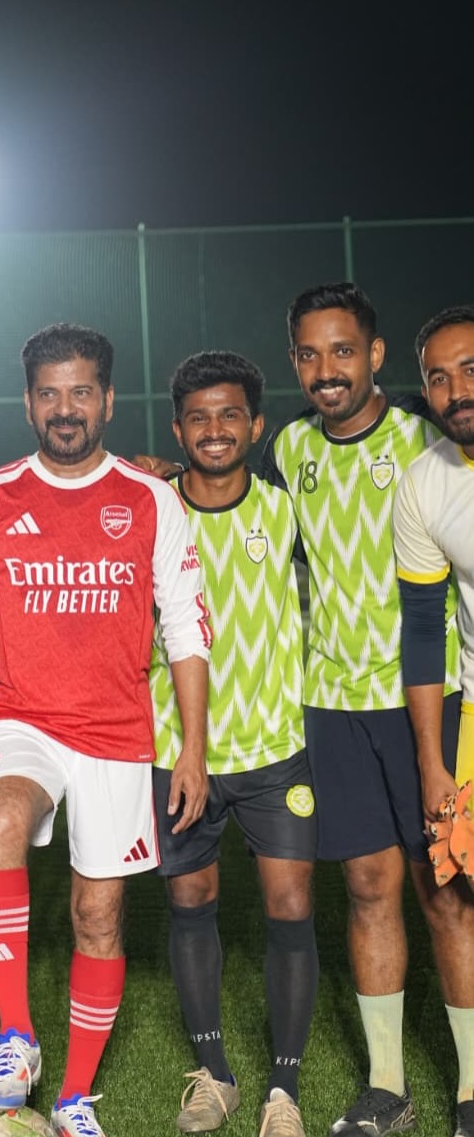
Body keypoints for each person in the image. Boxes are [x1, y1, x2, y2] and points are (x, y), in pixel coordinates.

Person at [0, 323, 211, 1137]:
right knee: (0, 822)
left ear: (108, 400)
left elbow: (186, 630)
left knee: (98, 914)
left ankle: (73, 1097)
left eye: (80, 391)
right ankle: (17, 1037)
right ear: (27, 404)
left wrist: (191, 750)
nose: (65, 408)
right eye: (49, 393)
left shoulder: (150, 498)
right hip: (24, 716)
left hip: (118, 734)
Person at [263, 282, 474, 1137]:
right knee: (364, 886)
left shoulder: (426, 438)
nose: (326, 370)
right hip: (331, 703)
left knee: (445, 891)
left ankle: (470, 1089)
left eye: (342, 350)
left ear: (375, 356)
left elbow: (428, 607)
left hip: (427, 697)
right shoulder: (286, 448)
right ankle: (387, 1086)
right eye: (309, 354)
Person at [146, 351, 316, 1137]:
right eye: (197, 417)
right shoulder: (151, 509)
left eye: (229, 415)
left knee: (291, 903)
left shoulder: (285, 510)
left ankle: (283, 1089)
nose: (213, 430)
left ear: (255, 424)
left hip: (274, 745)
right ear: (176, 429)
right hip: (176, 749)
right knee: (190, 902)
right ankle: (215, 1076)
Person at [392, 304, 474, 1137]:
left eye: (470, 368)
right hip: (472, 709)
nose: (457, 390)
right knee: (459, 893)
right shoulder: (425, 481)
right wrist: (431, 760)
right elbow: (422, 629)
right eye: (439, 378)